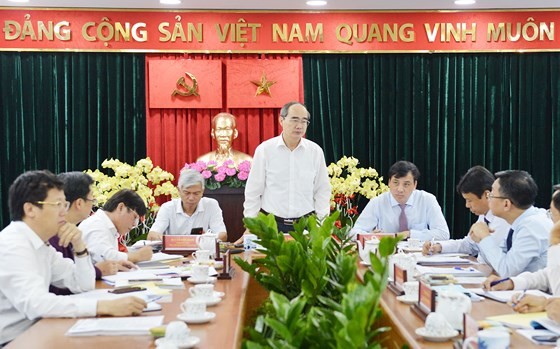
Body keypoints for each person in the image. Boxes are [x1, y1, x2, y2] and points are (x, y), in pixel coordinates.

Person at [0, 171, 147, 346]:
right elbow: (36, 304)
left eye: (65, 204)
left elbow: (82, 284)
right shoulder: (13, 244)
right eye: (58, 204)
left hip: (42, 329)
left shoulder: (42, 245)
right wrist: (102, 306)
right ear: (30, 209)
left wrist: (79, 246)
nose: (64, 211)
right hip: (15, 340)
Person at [243, 101, 331, 233]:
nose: (299, 126)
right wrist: (252, 224)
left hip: (305, 224)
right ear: (281, 120)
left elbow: (322, 191)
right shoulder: (265, 150)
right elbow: (253, 191)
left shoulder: (315, 151)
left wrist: (322, 224)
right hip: (272, 223)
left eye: (304, 121)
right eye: (294, 120)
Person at [49, 172, 136, 295]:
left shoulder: (69, 231)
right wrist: (97, 271)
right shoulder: (52, 235)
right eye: (92, 200)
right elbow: (61, 285)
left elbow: (74, 275)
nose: (93, 205)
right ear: (79, 203)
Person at [422, 166, 510, 264]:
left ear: (486, 195)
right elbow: (469, 244)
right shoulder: (484, 216)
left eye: (470, 200)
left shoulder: (503, 219)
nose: (467, 205)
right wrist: (439, 246)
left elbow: (496, 259)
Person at [470, 170, 551, 277]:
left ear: (506, 204)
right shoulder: (518, 222)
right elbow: (498, 263)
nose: (488, 200)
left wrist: (485, 237)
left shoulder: (532, 226)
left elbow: (507, 271)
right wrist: (481, 240)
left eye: (492, 195)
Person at [484, 185, 560, 296]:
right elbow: (549, 275)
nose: (550, 220)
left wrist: (556, 246)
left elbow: (506, 269)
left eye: (552, 214)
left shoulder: (533, 226)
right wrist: (512, 282)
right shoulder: (520, 223)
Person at [352, 160, 450, 241]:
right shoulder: (377, 202)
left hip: (419, 254)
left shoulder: (427, 200)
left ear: (415, 185)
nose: (400, 189)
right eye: (395, 183)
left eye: (406, 184)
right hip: (386, 254)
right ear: (389, 183)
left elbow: (443, 234)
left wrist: (409, 234)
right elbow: (353, 233)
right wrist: (369, 236)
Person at [147, 169, 227, 241]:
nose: (191, 198)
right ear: (179, 190)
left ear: (202, 191)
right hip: (174, 255)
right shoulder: (168, 208)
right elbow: (152, 235)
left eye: (196, 193)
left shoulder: (211, 205)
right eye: (187, 193)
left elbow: (223, 236)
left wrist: (206, 238)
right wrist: (166, 240)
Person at [80, 189, 153, 264]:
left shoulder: (109, 226)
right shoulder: (96, 224)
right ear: (120, 207)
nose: (135, 224)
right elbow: (103, 256)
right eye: (135, 217)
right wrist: (137, 256)